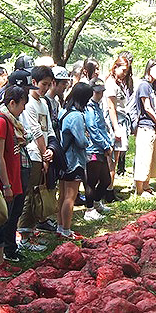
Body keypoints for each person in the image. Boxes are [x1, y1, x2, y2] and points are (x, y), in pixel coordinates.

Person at [0, 84, 29, 275]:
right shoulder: (1, 122)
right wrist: (6, 184)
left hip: (13, 177)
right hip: (4, 181)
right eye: (22, 105)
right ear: (12, 103)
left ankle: (1, 259)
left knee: (8, 219)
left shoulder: (10, 121)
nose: (23, 109)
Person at [18, 66, 56, 253]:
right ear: (34, 82)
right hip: (33, 154)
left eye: (49, 85)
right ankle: (23, 235)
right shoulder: (29, 104)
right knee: (30, 195)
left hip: (43, 153)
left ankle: (31, 231)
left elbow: (48, 129)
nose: (46, 88)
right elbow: (35, 130)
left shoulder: (44, 103)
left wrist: (50, 150)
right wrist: (44, 155)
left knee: (37, 194)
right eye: (43, 84)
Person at [57, 82, 93, 239]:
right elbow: (81, 141)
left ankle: (60, 226)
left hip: (62, 159)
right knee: (70, 197)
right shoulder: (77, 116)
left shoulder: (63, 111)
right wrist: (87, 139)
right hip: (74, 162)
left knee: (63, 194)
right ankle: (66, 229)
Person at [83, 80, 115, 218]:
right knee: (91, 180)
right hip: (92, 149)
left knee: (106, 180)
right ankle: (89, 210)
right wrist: (106, 145)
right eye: (97, 91)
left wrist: (108, 143)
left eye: (102, 91)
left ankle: (96, 203)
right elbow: (93, 129)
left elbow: (102, 128)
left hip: (101, 148)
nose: (100, 94)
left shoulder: (97, 106)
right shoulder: (88, 108)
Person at [133, 59, 156, 196]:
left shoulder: (152, 87)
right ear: (149, 69)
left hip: (152, 126)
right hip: (145, 125)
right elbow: (147, 107)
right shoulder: (144, 86)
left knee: (150, 158)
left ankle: (146, 186)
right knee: (143, 158)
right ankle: (139, 190)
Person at [104, 55, 134, 177]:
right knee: (112, 158)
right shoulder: (111, 83)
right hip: (114, 122)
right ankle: (108, 189)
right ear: (115, 67)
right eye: (123, 70)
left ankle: (109, 187)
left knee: (115, 158)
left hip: (121, 119)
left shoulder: (119, 83)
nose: (125, 74)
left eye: (127, 72)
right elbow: (111, 107)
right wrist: (116, 128)